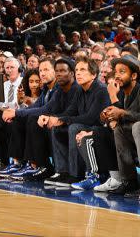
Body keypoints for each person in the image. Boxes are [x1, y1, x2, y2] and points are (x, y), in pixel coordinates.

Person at [39, 56, 110, 187]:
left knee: (74, 127)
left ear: (93, 74)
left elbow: (91, 118)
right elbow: (70, 112)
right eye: (77, 69)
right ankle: (62, 171)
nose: (78, 72)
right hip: (86, 126)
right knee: (57, 128)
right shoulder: (79, 89)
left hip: (100, 129)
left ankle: (75, 175)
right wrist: (54, 119)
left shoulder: (101, 90)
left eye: (82, 69)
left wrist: (63, 120)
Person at [94, 55, 140, 195]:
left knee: (138, 126)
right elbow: (117, 116)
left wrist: (121, 113)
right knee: (117, 130)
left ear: (133, 76)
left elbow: (127, 114)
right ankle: (129, 181)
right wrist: (107, 115)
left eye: (122, 72)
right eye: (116, 72)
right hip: (131, 137)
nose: (117, 75)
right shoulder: (119, 91)